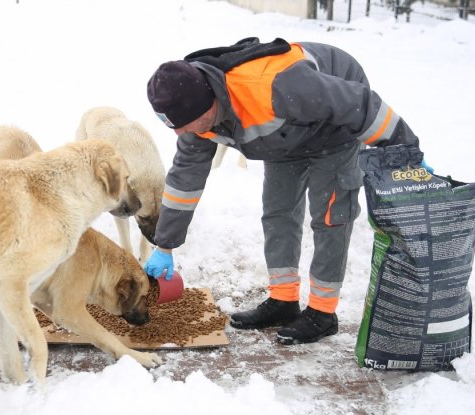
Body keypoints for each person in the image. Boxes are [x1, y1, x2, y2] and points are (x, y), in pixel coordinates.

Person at [143, 37, 423, 345]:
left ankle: (322, 313)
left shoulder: (276, 86)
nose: (181, 133)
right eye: (174, 127)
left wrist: (405, 152)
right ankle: (283, 301)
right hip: (286, 137)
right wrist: (165, 244)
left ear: (208, 105)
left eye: (185, 124)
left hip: (334, 128)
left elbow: (361, 106)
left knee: (330, 216)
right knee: (279, 213)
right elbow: (184, 181)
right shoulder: (194, 120)